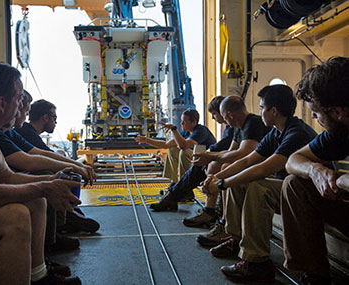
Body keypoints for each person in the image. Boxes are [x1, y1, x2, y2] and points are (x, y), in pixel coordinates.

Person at [0, 60, 81, 284]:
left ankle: (38, 277)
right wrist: (43, 186)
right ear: (1, 103)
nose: (21, 108)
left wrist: (49, 182)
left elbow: (6, 176)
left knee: (36, 199)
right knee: (15, 216)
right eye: (19, 100)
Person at [202, 85, 317, 282]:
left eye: (263, 107)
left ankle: (256, 263)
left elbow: (264, 169)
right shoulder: (276, 132)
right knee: (238, 183)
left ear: (273, 111)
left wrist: (222, 184)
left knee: (258, 187)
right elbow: (247, 161)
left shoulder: (295, 133)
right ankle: (236, 240)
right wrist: (218, 178)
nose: (260, 111)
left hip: (305, 192)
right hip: (286, 186)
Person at [151, 95, 271, 230]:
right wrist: (211, 158)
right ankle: (210, 211)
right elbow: (231, 151)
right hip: (245, 162)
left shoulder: (252, 123)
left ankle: (219, 218)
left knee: (215, 164)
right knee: (214, 164)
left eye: (263, 108)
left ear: (228, 115)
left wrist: (214, 167)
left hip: (259, 165)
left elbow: (244, 154)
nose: (215, 118)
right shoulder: (238, 128)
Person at [281, 57, 349, 285]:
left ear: (337, 112)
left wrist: (338, 181)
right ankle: (315, 276)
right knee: (295, 183)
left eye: (317, 113)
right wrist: (315, 170)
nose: (315, 120)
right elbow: (293, 160)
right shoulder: (340, 131)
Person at [14, 96, 100, 236]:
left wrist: (75, 165)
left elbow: (43, 153)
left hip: (20, 176)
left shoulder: (24, 133)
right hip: (19, 180)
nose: (56, 121)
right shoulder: (25, 131)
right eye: (54, 117)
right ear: (45, 118)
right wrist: (76, 167)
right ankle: (63, 221)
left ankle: (68, 212)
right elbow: (38, 158)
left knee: (59, 160)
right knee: (54, 172)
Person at [135, 109, 216, 183]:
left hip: (208, 161)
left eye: (184, 121)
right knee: (173, 149)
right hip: (196, 159)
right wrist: (146, 140)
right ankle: (173, 182)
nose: (181, 123)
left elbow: (184, 146)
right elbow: (166, 145)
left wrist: (174, 129)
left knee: (184, 152)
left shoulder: (201, 131)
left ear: (194, 122)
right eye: (181, 121)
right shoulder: (186, 133)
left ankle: (184, 186)